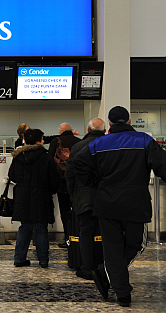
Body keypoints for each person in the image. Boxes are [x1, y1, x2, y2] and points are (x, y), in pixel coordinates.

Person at [73, 106, 166, 307]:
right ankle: (108, 278)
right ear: (129, 120)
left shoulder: (98, 143)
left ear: (110, 122)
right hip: (136, 203)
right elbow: (163, 166)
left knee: (112, 248)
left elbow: (76, 163)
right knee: (135, 245)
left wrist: (95, 182)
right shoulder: (144, 141)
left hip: (107, 203)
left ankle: (119, 289)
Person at [9, 128, 60, 268]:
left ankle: (19, 258)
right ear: (39, 141)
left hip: (22, 196)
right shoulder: (47, 157)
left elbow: (12, 176)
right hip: (42, 195)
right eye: (42, 139)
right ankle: (43, 260)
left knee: (24, 227)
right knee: (41, 228)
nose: (44, 141)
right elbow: (55, 180)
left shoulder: (18, 157)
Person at [65, 117, 106, 280]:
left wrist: (73, 195)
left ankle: (87, 267)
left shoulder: (77, 147)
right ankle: (104, 266)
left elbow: (70, 174)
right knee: (108, 232)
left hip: (83, 198)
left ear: (88, 130)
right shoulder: (109, 145)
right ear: (104, 131)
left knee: (85, 232)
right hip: (107, 197)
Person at [48, 122, 81, 248]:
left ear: (60, 131)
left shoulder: (56, 141)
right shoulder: (79, 141)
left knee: (65, 211)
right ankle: (78, 236)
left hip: (62, 182)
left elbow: (50, 160)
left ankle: (67, 238)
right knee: (77, 210)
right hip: (77, 182)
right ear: (71, 130)